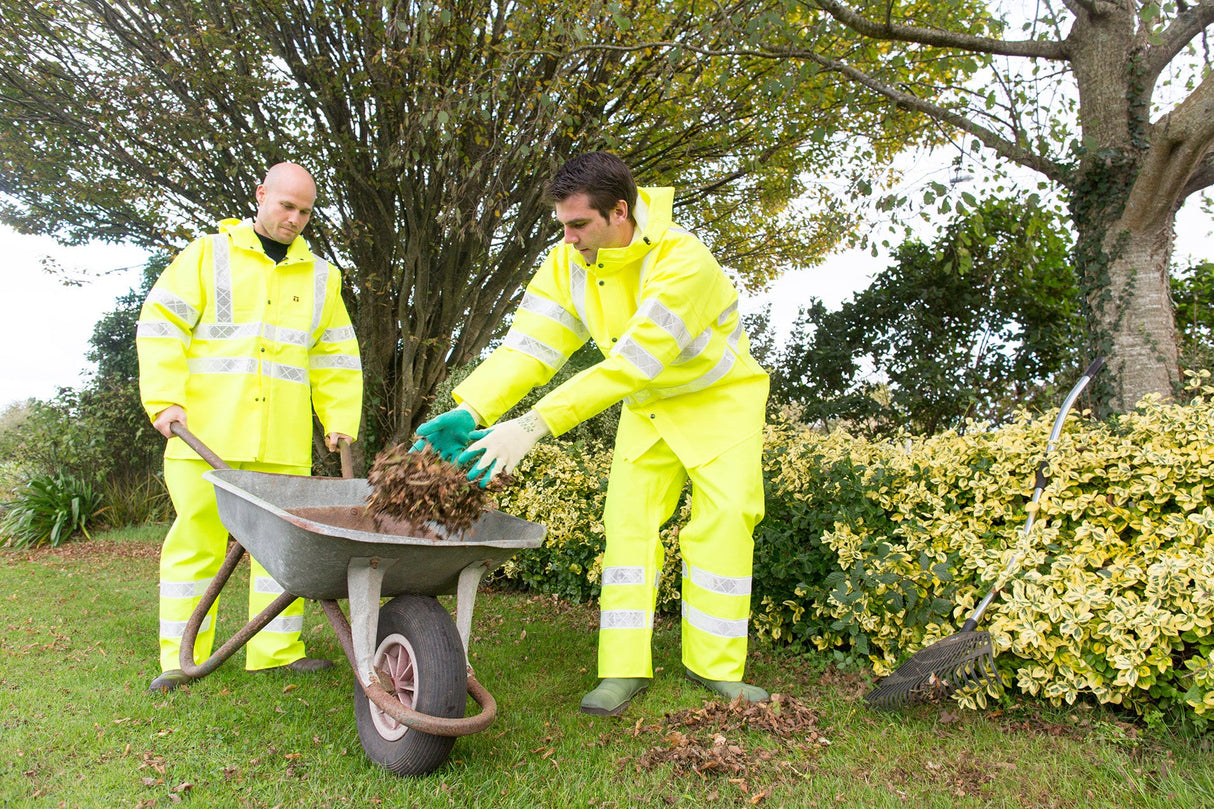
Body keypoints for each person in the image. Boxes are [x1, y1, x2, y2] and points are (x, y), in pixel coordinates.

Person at [416, 151, 769, 716]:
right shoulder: (568, 265)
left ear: (620, 212)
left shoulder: (684, 262)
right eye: (562, 225)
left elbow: (631, 363)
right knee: (627, 529)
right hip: (648, 408)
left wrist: (533, 425)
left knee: (723, 525)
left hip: (719, 406)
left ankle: (716, 668)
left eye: (579, 225)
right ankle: (622, 669)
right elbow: (528, 350)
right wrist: (472, 408)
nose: (568, 239)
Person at [137, 162, 363, 693]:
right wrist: (164, 402)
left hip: (281, 441)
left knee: (282, 551)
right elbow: (161, 326)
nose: (295, 219)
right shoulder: (206, 256)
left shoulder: (322, 278)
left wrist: (339, 420)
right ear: (261, 196)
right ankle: (179, 656)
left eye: (306, 211)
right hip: (204, 438)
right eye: (287, 206)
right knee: (196, 543)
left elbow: (336, 356)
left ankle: (276, 651)